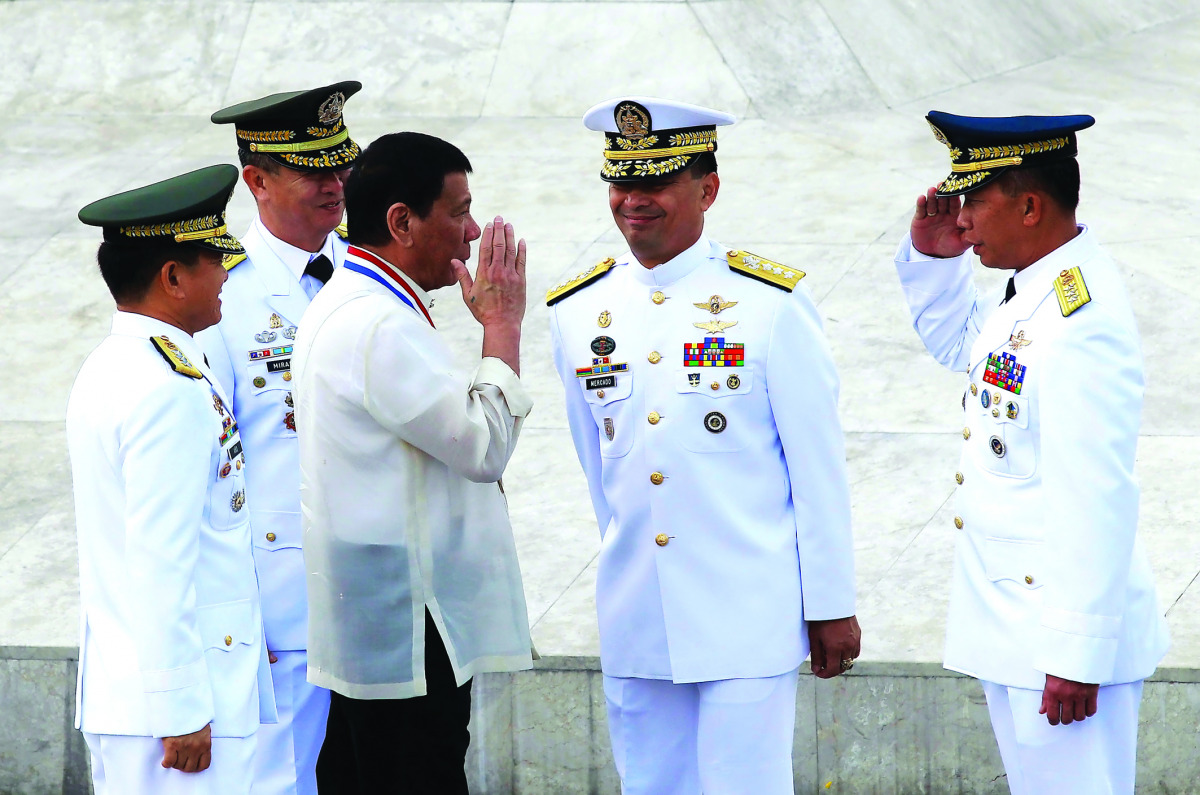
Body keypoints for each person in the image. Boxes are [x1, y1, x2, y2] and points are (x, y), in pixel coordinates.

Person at [546, 96, 860, 794]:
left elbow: (816, 468)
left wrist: (830, 601)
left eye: (656, 181)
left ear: (707, 189)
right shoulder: (577, 312)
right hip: (638, 614)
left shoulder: (770, 304)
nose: (634, 200)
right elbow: (600, 472)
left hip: (746, 616)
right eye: (621, 182)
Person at [893, 111, 1170, 794]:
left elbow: (1096, 492)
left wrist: (1076, 651)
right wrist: (936, 263)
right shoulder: (1035, 290)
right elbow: (966, 350)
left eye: (973, 201)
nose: (961, 220)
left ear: (1029, 206)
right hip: (1021, 631)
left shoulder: (1081, 319)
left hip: (1059, 642)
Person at [291, 131, 534, 794]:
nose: (473, 233)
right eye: (459, 213)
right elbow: (482, 448)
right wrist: (502, 328)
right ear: (402, 222)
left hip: (376, 617)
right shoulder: (378, 323)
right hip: (406, 626)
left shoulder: (349, 302)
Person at [69, 165, 275, 794]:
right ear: (174, 277)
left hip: (144, 696)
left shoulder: (117, 365)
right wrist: (182, 709)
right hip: (179, 711)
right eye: (215, 260)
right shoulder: (165, 388)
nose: (227, 275)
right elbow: (161, 559)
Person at [198, 80, 362, 795]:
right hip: (282, 607)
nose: (334, 185)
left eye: (341, 166)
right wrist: (233, 611)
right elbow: (214, 469)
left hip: (376, 595)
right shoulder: (221, 293)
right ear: (257, 181)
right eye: (312, 171)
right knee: (281, 780)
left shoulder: (370, 272)